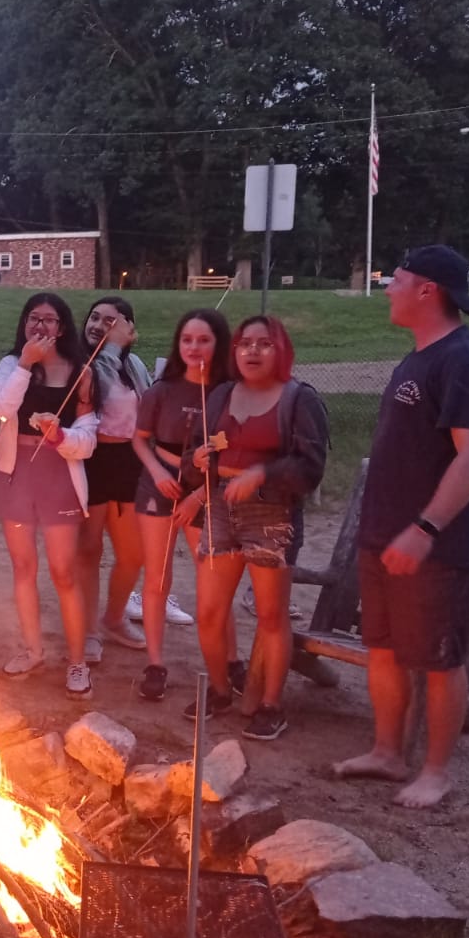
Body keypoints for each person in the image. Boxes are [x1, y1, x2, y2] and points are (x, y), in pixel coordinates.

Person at [333, 245, 469, 809]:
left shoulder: (465, 359)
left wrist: (425, 528)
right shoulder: (418, 357)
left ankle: (436, 771)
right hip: (384, 534)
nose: (387, 288)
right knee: (381, 647)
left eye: (395, 280)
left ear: (427, 290)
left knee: (437, 657)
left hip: (436, 547)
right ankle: (387, 752)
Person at [188, 316, 328, 739]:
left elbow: (311, 466)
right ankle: (218, 689)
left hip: (272, 513)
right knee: (209, 612)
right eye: (245, 344)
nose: (251, 351)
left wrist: (261, 473)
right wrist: (200, 459)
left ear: (280, 350)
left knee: (270, 615)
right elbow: (201, 444)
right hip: (220, 507)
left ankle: (271, 705)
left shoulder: (299, 399)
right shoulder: (221, 395)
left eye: (263, 344)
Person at [130, 309, 241, 704]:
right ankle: (156, 664)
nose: (194, 348)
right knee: (157, 577)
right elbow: (140, 439)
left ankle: (231, 661)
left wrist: (200, 493)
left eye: (204, 340)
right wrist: (159, 474)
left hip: (206, 489)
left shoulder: (229, 392)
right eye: (187, 340)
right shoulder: (162, 390)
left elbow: (234, 450)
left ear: (219, 343)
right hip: (159, 483)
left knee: (213, 578)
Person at [0, 294, 99, 697]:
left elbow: (88, 440)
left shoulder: (81, 372)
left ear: (63, 328)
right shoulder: (10, 365)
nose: (40, 326)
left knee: (63, 571)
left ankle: (76, 662)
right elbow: (2, 408)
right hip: (15, 471)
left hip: (58, 474)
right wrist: (25, 363)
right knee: (23, 566)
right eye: (33, 318)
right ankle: (33, 650)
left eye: (49, 320)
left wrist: (62, 435)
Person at [76, 297, 153, 665]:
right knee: (89, 550)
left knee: (133, 554)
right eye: (95, 318)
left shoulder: (134, 364)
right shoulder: (82, 363)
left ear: (128, 329)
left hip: (128, 461)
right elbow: (99, 391)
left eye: (110, 321)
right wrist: (113, 346)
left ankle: (114, 617)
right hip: (91, 460)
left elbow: (149, 407)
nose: (98, 326)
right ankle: (88, 630)